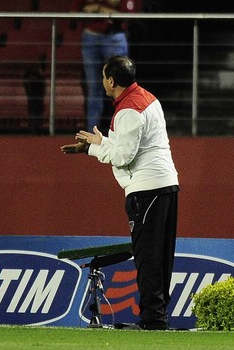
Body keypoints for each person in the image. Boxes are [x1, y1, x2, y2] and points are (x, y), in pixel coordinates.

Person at [61, 56, 179, 330]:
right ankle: (158, 316)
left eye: (103, 77)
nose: (102, 81)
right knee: (161, 256)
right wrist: (103, 141)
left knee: (147, 256)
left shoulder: (128, 110)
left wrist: (90, 149)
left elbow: (124, 155)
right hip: (166, 185)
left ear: (111, 81)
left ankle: (152, 319)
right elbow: (134, 144)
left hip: (146, 189)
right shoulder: (147, 98)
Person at [70, 0, 141, 132]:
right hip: (91, 37)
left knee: (121, 87)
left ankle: (124, 131)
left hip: (115, 37)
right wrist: (106, 10)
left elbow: (129, 14)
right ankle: (91, 134)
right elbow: (74, 11)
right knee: (93, 89)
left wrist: (99, 9)